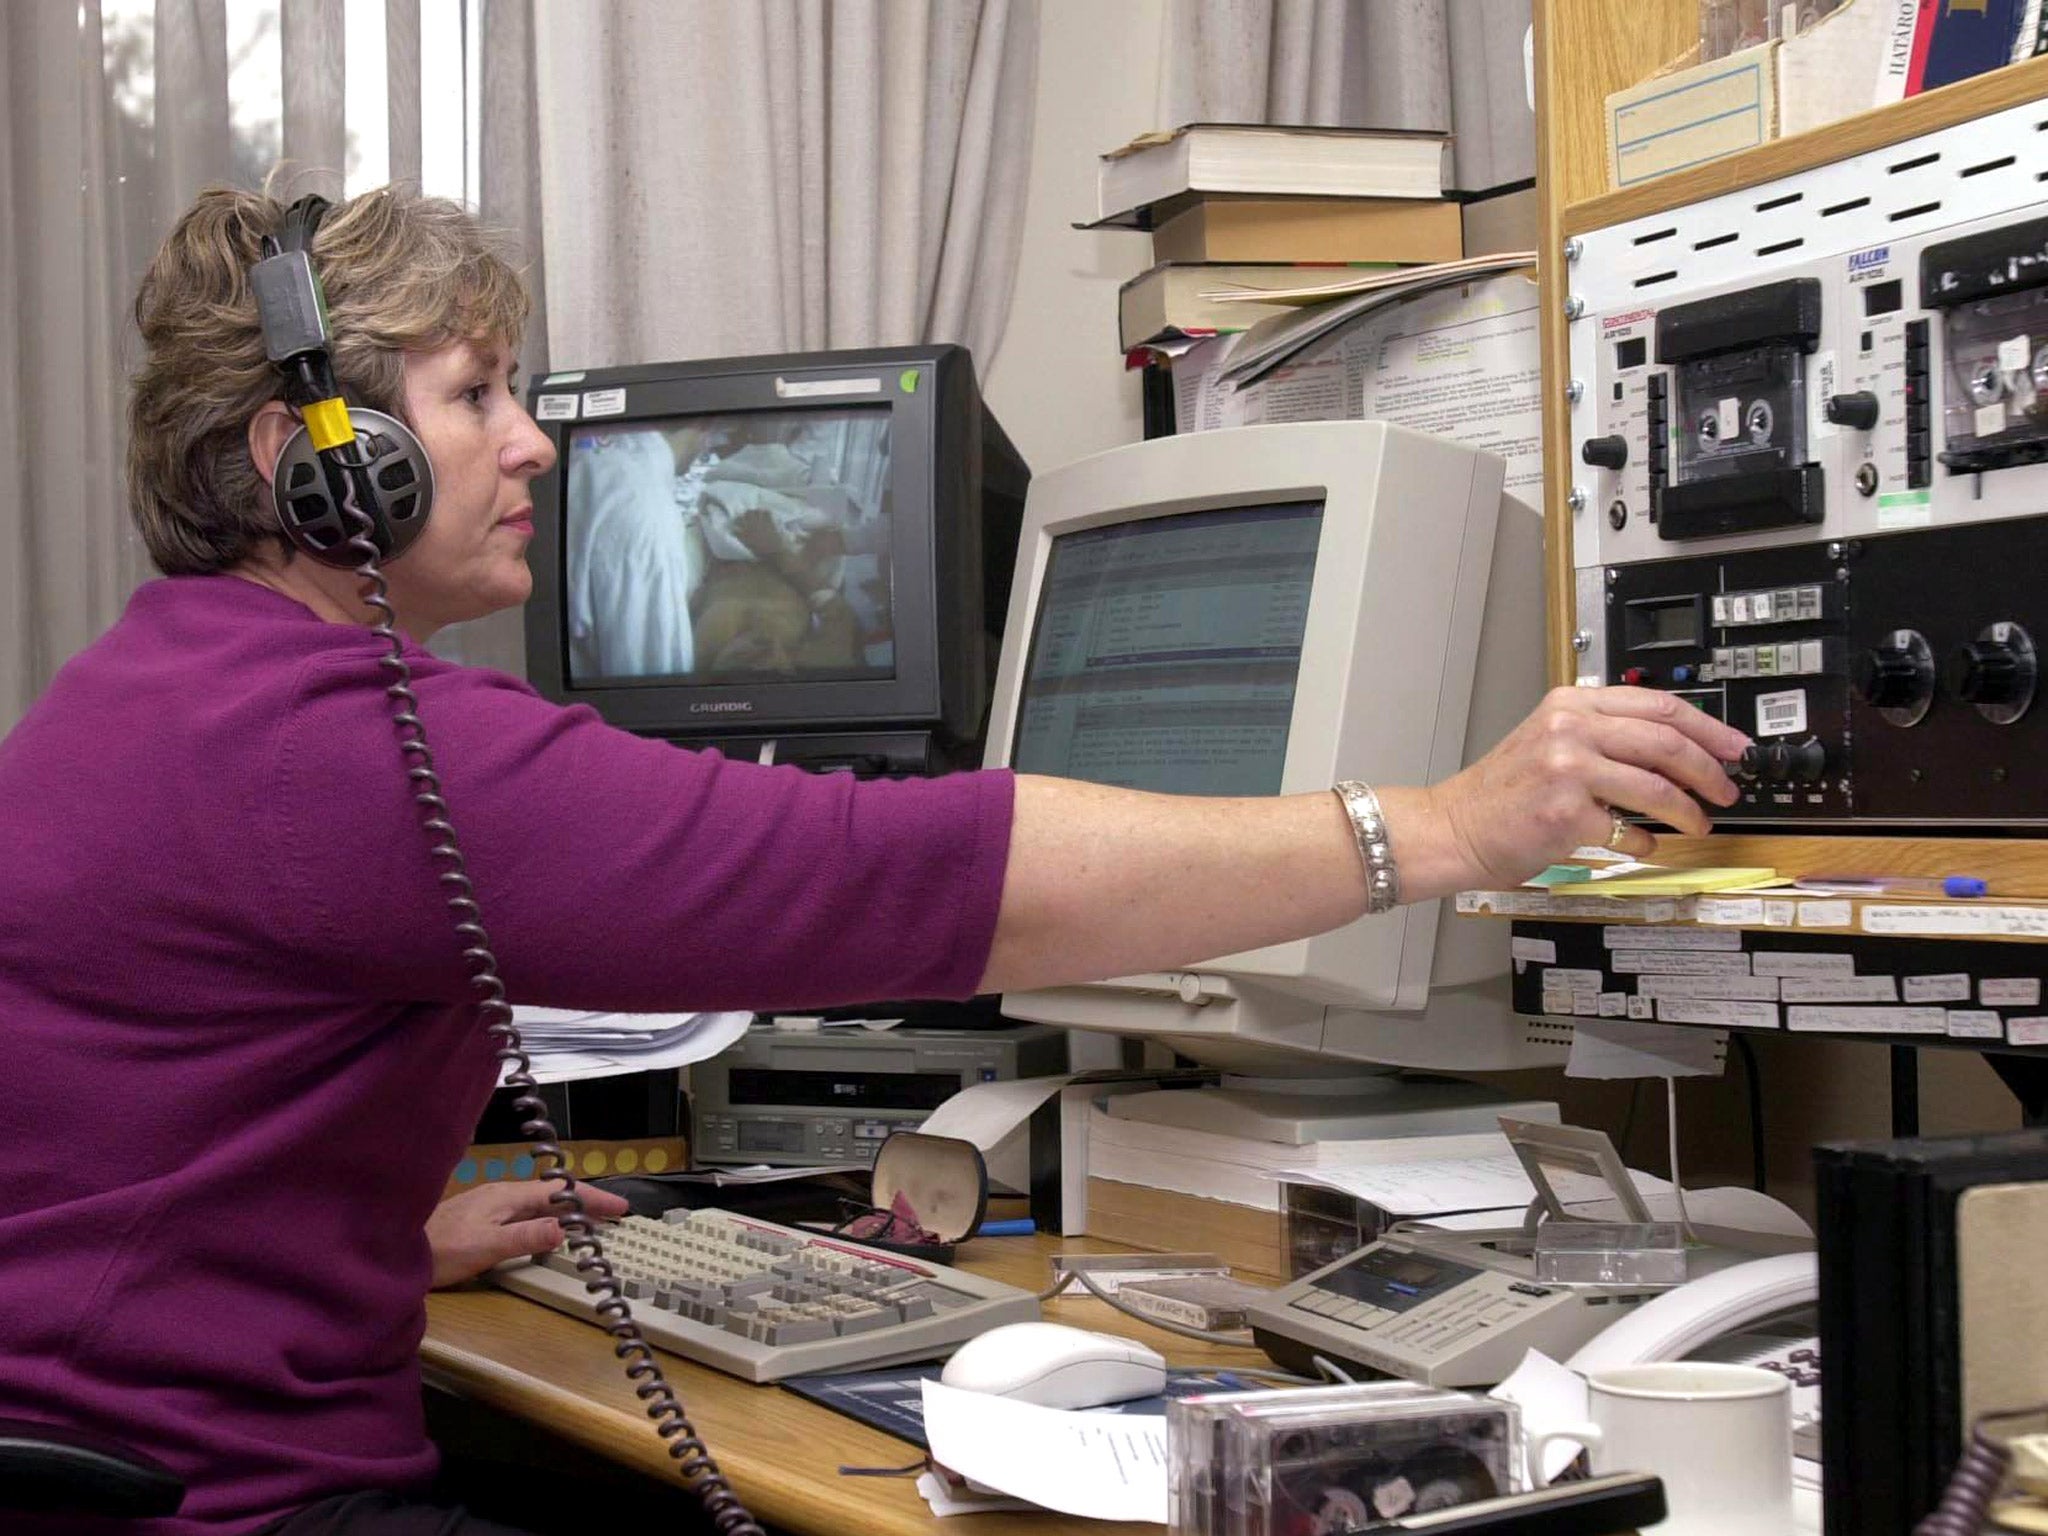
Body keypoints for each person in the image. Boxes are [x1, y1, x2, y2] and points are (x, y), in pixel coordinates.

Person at [0, 185, 1750, 1536]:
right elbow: (885, 875)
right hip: (212, 1498)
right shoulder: (329, 747)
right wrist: (1441, 830)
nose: (534, 443)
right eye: (476, 398)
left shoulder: (160, 692)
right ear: (320, 467)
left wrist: (370, 1235)